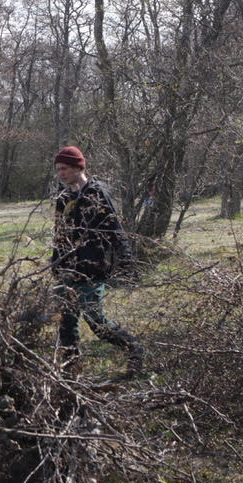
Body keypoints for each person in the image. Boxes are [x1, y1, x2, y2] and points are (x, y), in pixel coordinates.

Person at [49, 146, 143, 376]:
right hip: (67, 269)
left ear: (77, 167)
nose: (61, 174)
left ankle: (134, 349)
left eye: (64, 168)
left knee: (96, 322)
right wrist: (56, 263)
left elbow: (115, 229)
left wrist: (126, 260)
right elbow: (60, 233)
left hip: (92, 269)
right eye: (58, 169)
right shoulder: (63, 198)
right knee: (66, 324)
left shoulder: (97, 194)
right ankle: (71, 372)